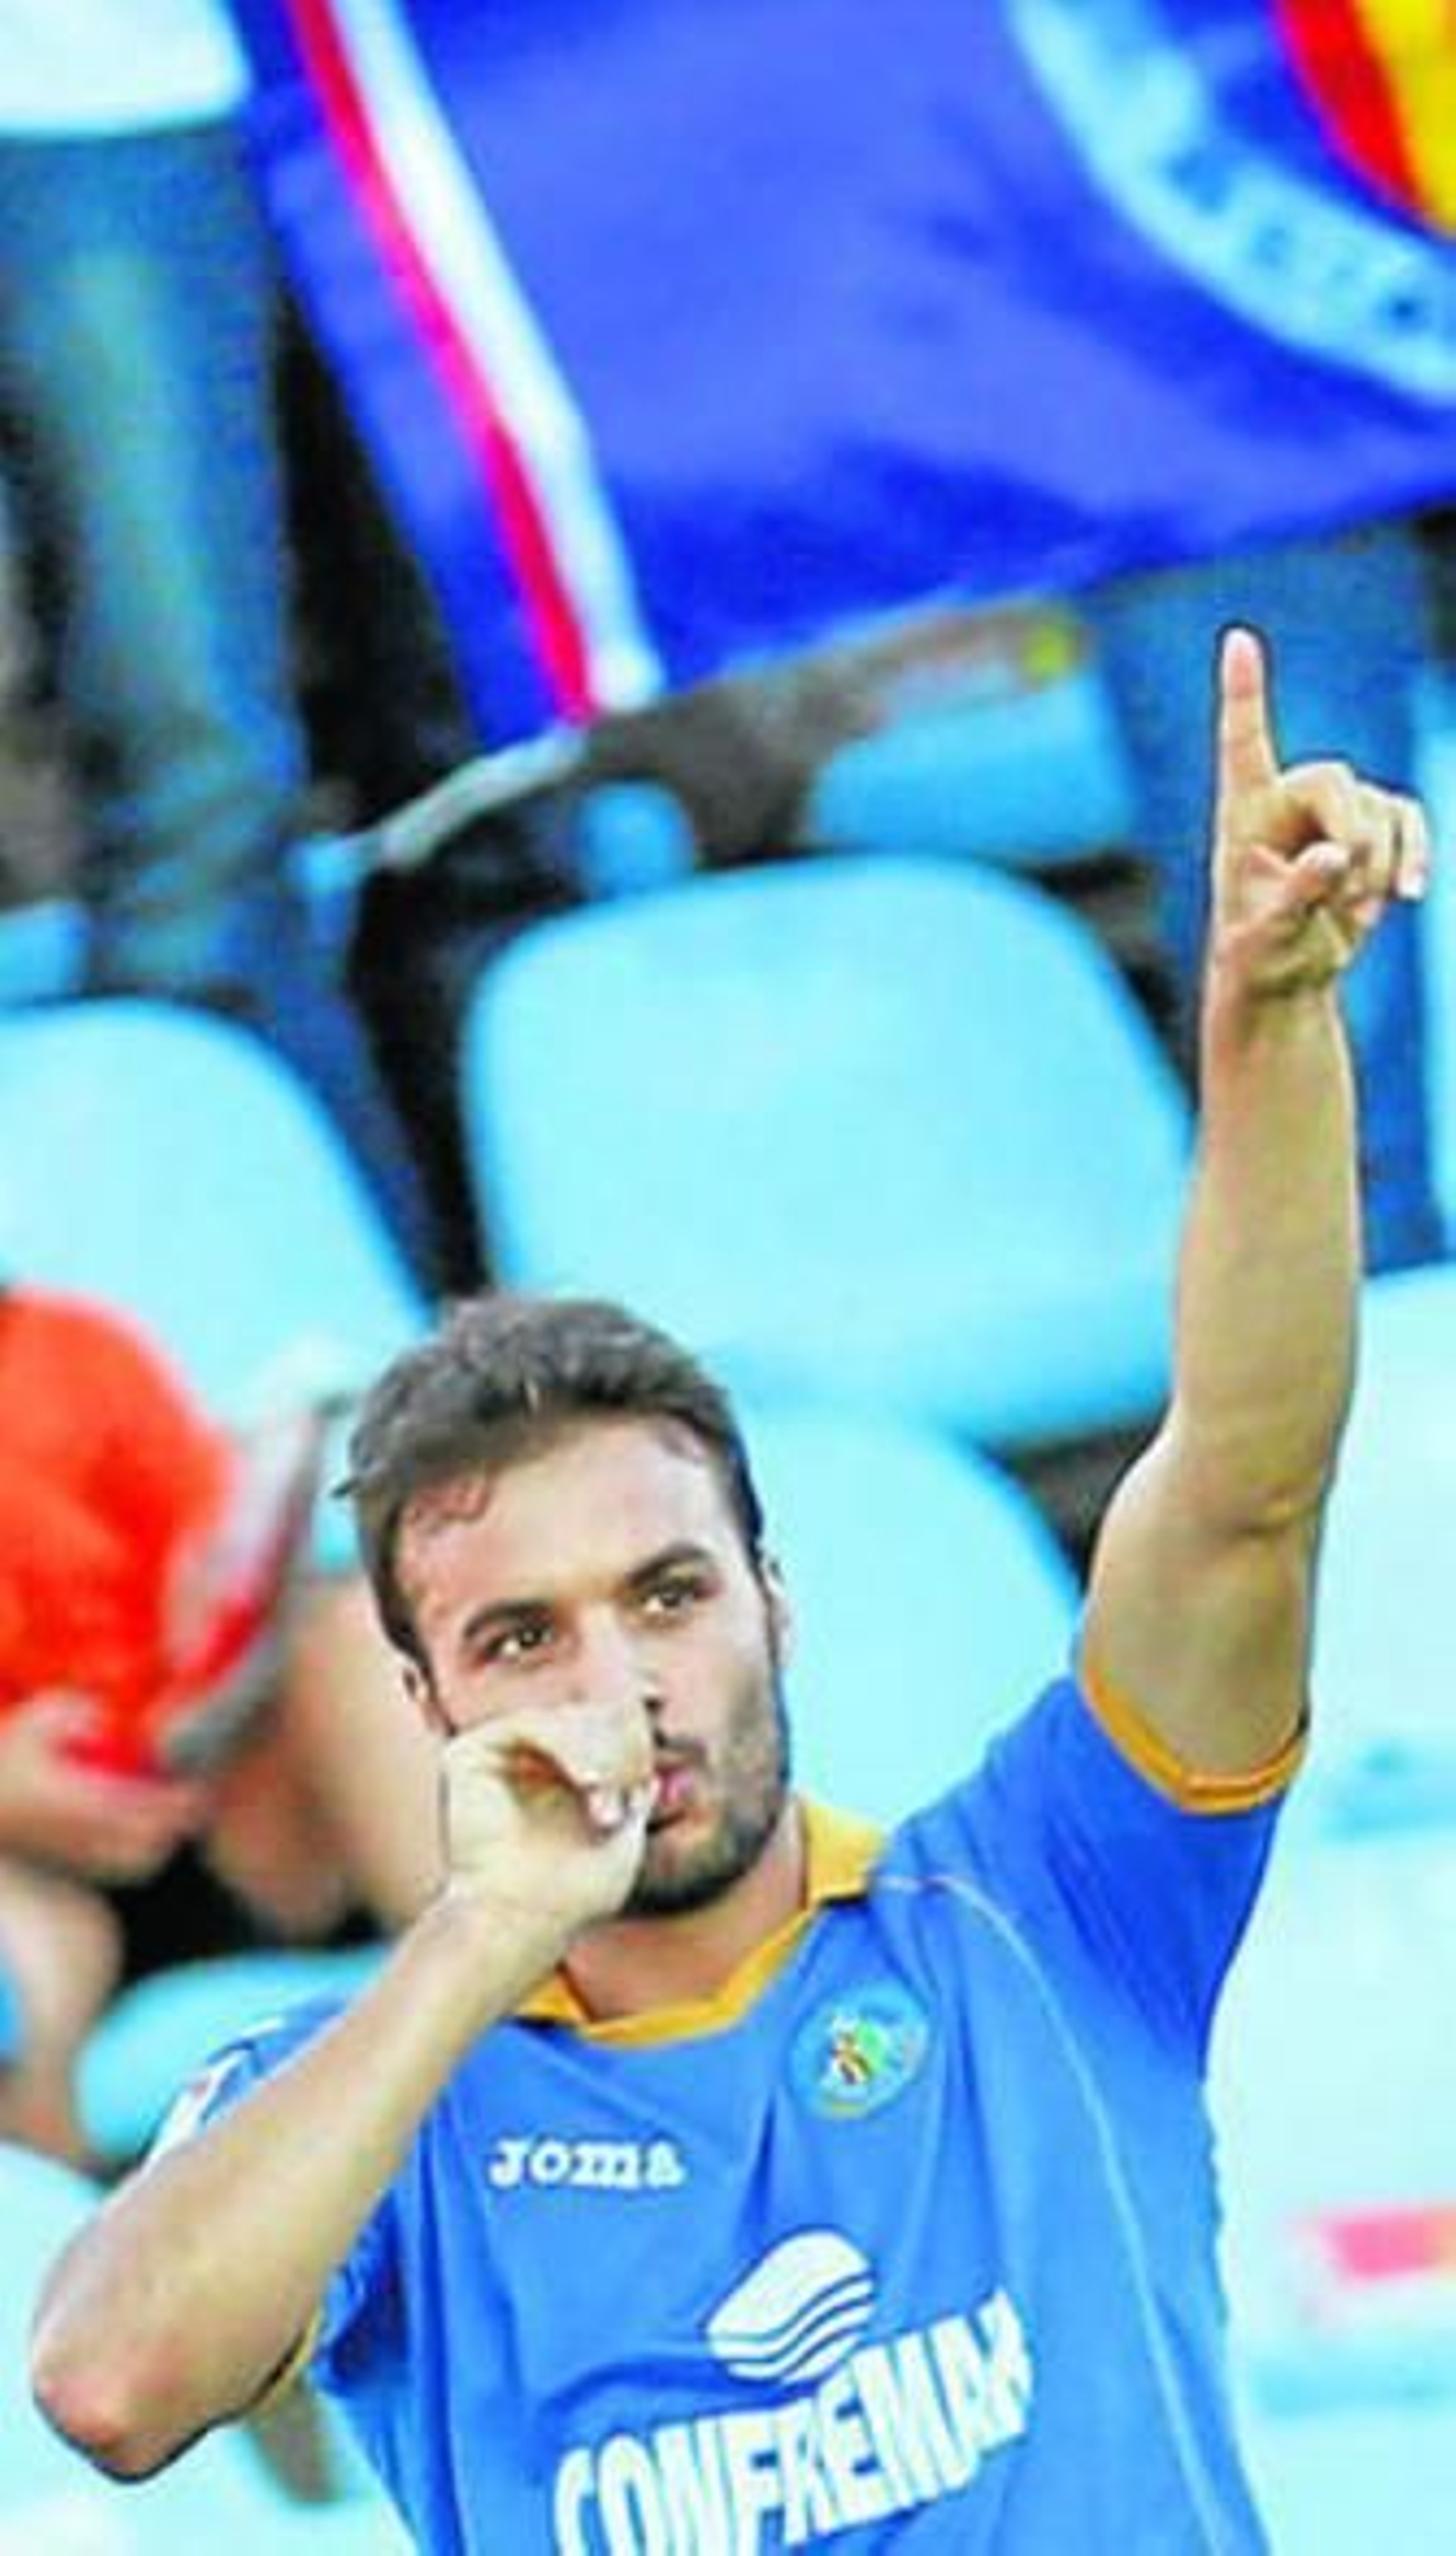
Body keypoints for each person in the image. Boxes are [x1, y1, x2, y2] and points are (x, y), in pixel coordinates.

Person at [27, 627, 1430, 2547]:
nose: (621, 1679)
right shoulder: (373, 2092)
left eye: (667, 1592)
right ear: (428, 1704)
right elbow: (112, 2388)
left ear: (774, 1598)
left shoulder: (1043, 1899)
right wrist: (473, 1939)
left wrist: (1265, 1032)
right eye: (519, 1637)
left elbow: (1248, 1486)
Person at [0, 1, 448, 1286]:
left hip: (434, 87)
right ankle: (296, 1350)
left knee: (495, 768)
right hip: (78, 103)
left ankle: (530, 1378)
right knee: (197, 803)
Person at [0, 1283, 440, 2163]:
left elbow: (209, 1557)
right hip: (33, 1884)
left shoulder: (74, 1357)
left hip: (205, 1798)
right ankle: (77, 2249)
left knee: (351, 1629)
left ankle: (532, 2001)